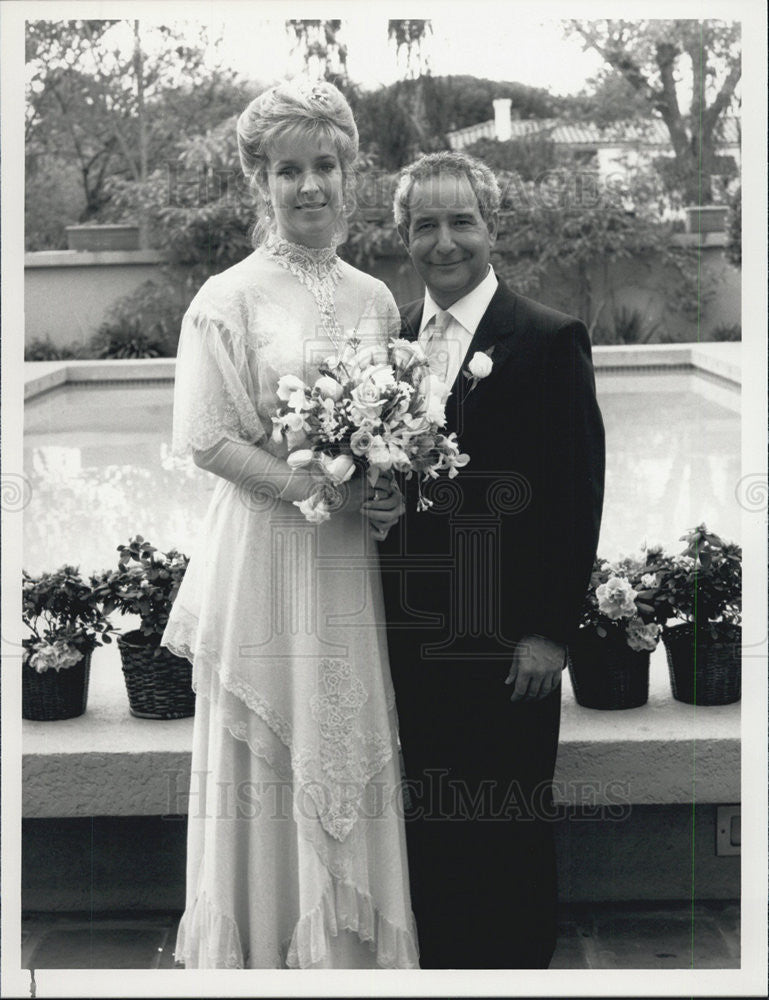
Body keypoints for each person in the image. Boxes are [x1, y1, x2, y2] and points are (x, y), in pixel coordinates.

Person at [160, 79, 417, 969]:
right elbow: (205, 439)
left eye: (326, 166)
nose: (309, 186)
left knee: (343, 734)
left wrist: (383, 492)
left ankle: (346, 957)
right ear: (258, 181)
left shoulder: (378, 301)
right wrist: (309, 492)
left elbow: (390, 439)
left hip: (345, 561)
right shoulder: (227, 297)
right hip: (265, 555)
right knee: (269, 756)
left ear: (351, 172)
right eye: (287, 170)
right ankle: (265, 952)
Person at [379, 151, 605, 969]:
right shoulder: (389, 339)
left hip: (509, 643)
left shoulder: (546, 340)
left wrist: (548, 633)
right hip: (409, 637)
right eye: (424, 225)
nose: (444, 242)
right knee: (428, 823)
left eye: (460, 221)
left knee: (506, 822)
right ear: (404, 236)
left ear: (490, 227)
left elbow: (576, 498)